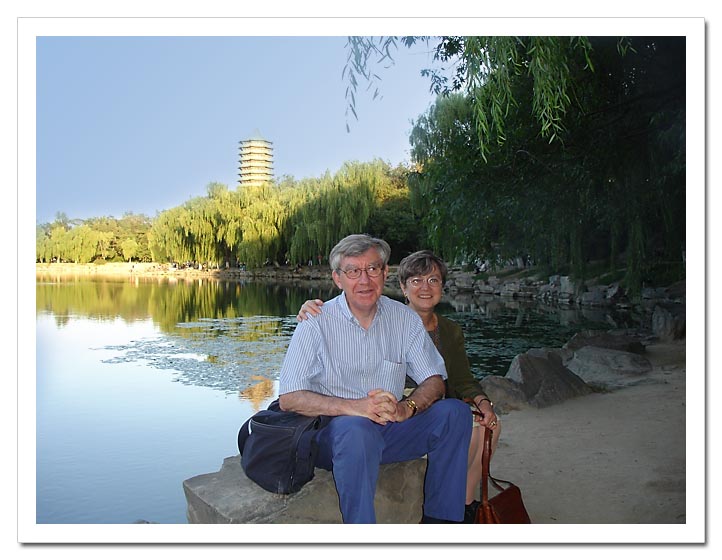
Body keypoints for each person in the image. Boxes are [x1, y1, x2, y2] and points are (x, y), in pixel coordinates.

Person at [279, 234, 472, 524]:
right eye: (353, 271)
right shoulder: (316, 322)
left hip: (389, 428)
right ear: (337, 278)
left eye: (372, 269)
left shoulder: (404, 319)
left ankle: (441, 525)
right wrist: (356, 407)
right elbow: (289, 398)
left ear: (385, 273)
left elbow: (434, 379)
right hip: (336, 435)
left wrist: (408, 408)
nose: (365, 280)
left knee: (455, 414)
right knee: (357, 431)